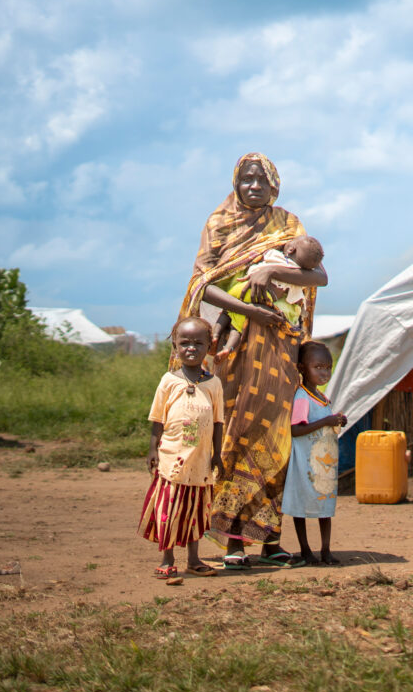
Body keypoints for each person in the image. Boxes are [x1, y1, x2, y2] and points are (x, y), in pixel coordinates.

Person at [174, 152, 327, 569]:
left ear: (274, 184)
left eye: (262, 179)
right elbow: (201, 284)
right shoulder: (218, 223)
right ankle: (233, 544)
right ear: (236, 182)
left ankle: (271, 541)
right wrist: (252, 308)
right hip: (234, 353)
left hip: (278, 351)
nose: (254, 186)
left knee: (276, 439)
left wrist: (269, 275)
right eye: (246, 179)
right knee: (234, 436)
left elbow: (318, 276)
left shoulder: (288, 224)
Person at [139, 316, 224, 579]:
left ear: (209, 346)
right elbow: (157, 419)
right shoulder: (168, 381)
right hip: (171, 459)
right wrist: (153, 450)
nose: (191, 348)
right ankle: (167, 559)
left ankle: (194, 559)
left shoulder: (214, 384)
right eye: (184, 342)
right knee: (170, 508)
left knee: (196, 510)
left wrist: (217, 454)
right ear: (174, 345)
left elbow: (219, 422)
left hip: (200, 461)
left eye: (198, 343)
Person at [211, 234, 324, 362]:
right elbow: (295, 298)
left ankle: (215, 334)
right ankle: (228, 348)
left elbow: (258, 256)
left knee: (227, 311)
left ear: (291, 249)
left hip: (242, 286)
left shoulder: (274, 255)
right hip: (264, 297)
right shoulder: (295, 277)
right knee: (237, 327)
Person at [284, 341, 347, 565]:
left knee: (325, 507)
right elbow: (295, 429)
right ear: (302, 368)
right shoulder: (302, 397)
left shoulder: (322, 397)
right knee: (301, 507)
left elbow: (323, 421)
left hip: (323, 465)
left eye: (328, 367)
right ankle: (305, 550)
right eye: (318, 367)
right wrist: (326, 421)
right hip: (306, 465)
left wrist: (335, 420)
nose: (324, 372)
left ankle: (326, 550)